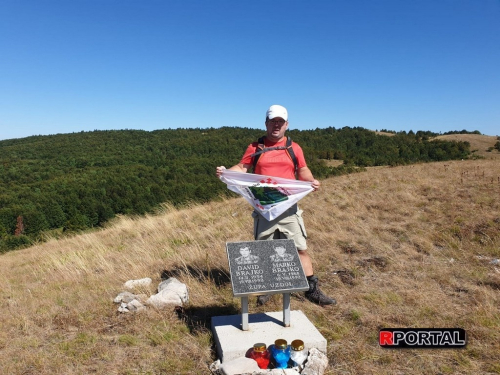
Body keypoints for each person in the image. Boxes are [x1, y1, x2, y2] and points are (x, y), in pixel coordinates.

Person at [216, 104, 336, 306]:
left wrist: (311, 181)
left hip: (288, 207)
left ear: (286, 124)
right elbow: (243, 167)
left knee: (300, 249)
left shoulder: (294, 147)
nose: (276, 125)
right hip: (264, 207)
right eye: (273, 121)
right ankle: (267, 288)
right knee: (264, 250)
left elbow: (303, 170)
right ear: (266, 123)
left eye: (280, 122)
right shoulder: (256, 147)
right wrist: (227, 171)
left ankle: (311, 289)